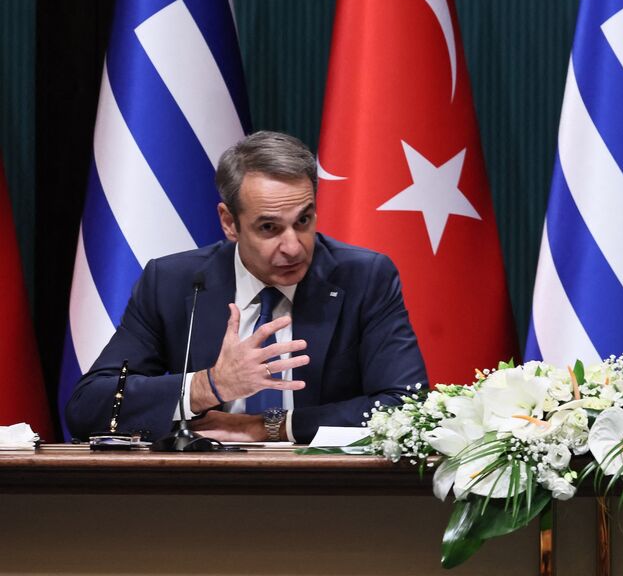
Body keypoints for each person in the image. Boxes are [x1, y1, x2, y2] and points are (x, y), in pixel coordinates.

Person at [65, 132, 427, 444]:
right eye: (269, 228)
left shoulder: (364, 277)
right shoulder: (173, 282)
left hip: (328, 494)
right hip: (198, 494)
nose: (294, 246)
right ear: (229, 223)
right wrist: (209, 385)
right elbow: (88, 407)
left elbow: (407, 407)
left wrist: (269, 427)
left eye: (303, 220)